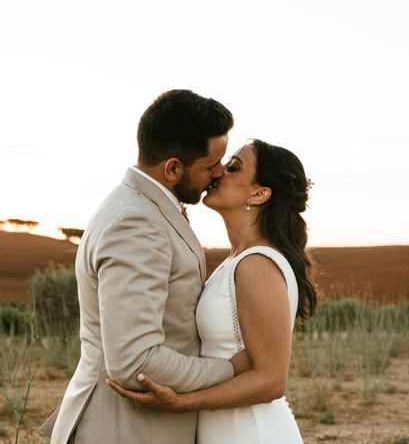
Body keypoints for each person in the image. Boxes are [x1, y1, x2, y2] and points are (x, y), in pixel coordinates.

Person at [41, 90, 251, 444]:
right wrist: (231, 369)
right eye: (210, 165)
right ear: (172, 168)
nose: (219, 172)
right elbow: (136, 361)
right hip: (125, 430)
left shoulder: (140, 206)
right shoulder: (136, 223)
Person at [108, 139, 317, 444]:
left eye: (233, 168)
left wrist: (183, 402)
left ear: (259, 193)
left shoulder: (257, 264)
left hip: (251, 432)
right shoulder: (236, 261)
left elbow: (272, 380)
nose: (218, 173)